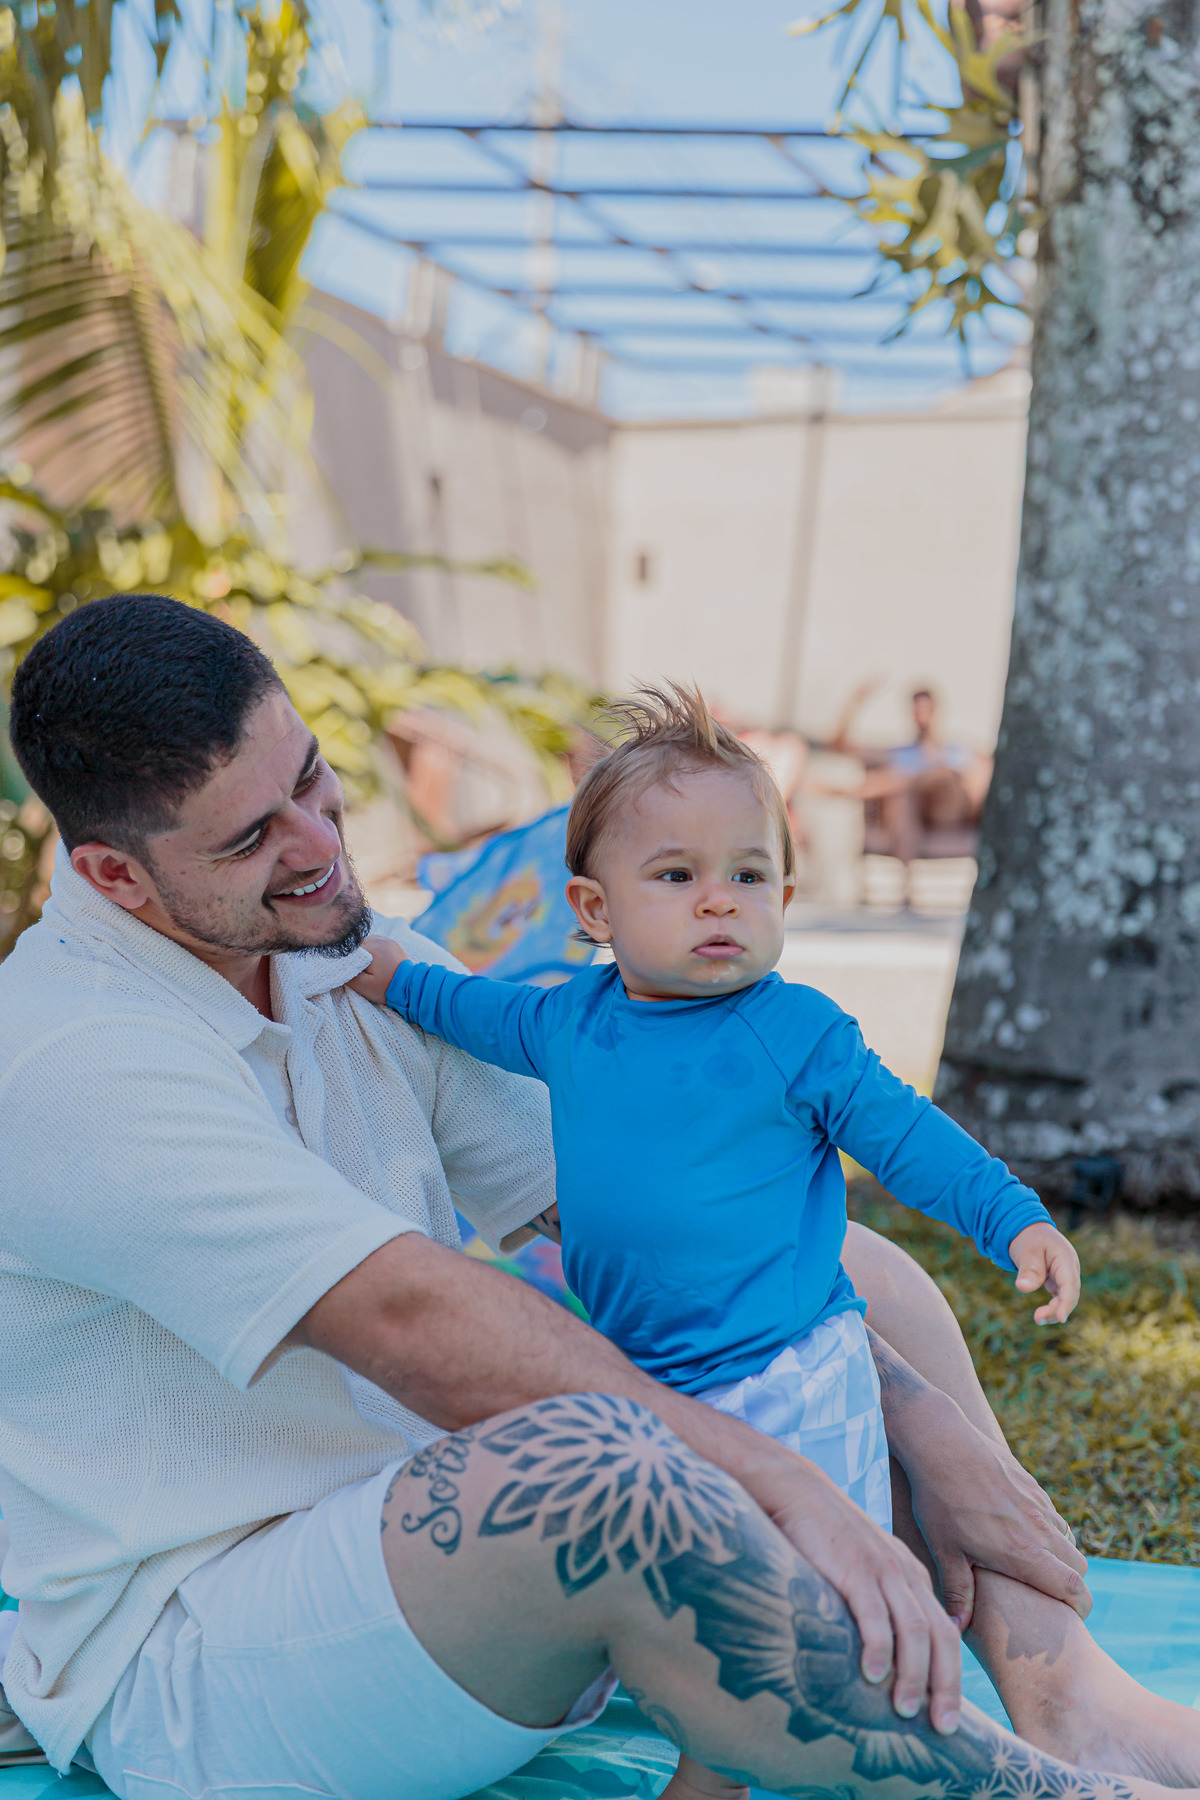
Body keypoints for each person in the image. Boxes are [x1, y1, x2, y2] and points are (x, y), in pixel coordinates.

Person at [0, 595, 1197, 1800]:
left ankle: (1072, 1707)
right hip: (220, 1662)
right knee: (608, 1468)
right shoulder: (73, 1056)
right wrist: (790, 1484)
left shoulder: (331, 951)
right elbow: (408, 1318)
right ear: (116, 876)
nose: (318, 844)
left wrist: (923, 1424)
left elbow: (653, 1214)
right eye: (252, 836)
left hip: (476, 1587)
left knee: (858, 1276)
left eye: (313, 780)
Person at [347, 684, 1080, 1800]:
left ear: (784, 894)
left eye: (747, 875)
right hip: (649, 1377)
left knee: (794, 1593)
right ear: (594, 908)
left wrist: (1011, 1215)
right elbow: (454, 1006)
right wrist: (376, 972)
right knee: (695, 1583)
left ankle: (745, 1766)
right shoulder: (566, 1020)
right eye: (676, 876)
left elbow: (908, 1136)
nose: (717, 902)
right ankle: (756, 1723)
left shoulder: (795, 1033)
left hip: (789, 1369)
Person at [825, 680, 992, 872]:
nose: (922, 717)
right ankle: (905, 880)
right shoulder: (902, 753)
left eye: (927, 710)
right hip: (917, 815)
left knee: (944, 775)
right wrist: (856, 700)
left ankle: (858, 790)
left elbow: (982, 777)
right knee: (901, 798)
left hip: (951, 812)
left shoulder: (956, 750)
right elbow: (840, 747)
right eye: (917, 712)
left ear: (936, 711)